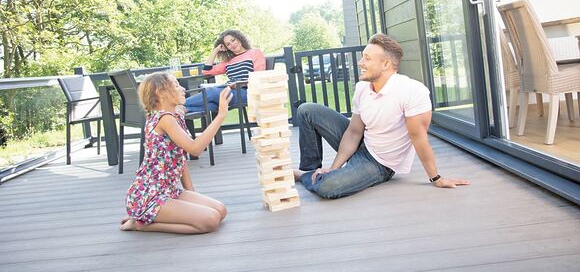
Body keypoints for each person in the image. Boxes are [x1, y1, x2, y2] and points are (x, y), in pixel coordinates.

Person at [293, 33, 470, 199]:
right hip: (362, 143)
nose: (360, 62)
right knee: (306, 110)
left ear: (385, 64)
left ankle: (305, 177)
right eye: (363, 56)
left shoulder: (412, 91)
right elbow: (354, 132)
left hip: (379, 163)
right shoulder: (363, 87)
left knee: (327, 187)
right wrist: (333, 168)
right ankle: (310, 171)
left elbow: (419, 138)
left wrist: (436, 178)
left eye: (367, 58)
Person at [120, 72, 232, 234]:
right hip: (149, 196)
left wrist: (192, 197)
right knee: (210, 221)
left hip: (168, 191)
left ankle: (144, 218)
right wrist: (220, 116)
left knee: (221, 210)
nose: (183, 89)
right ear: (161, 92)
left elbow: (179, 159)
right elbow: (194, 149)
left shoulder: (173, 116)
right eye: (176, 85)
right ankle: (141, 224)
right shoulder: (165, 119)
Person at [185, 29, 265, 113]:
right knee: (212, 105)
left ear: (239, 38)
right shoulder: (228, 61)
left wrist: (241, 84)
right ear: (227, 48)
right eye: (228, 44)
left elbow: (259, 77)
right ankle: (182, 109)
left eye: (233, 40)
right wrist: (215, 50)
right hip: (230, 90)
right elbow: (206, 71)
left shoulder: (254, 53)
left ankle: (176, 105)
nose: (232, 44)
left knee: (210, 92)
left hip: (247, 92)